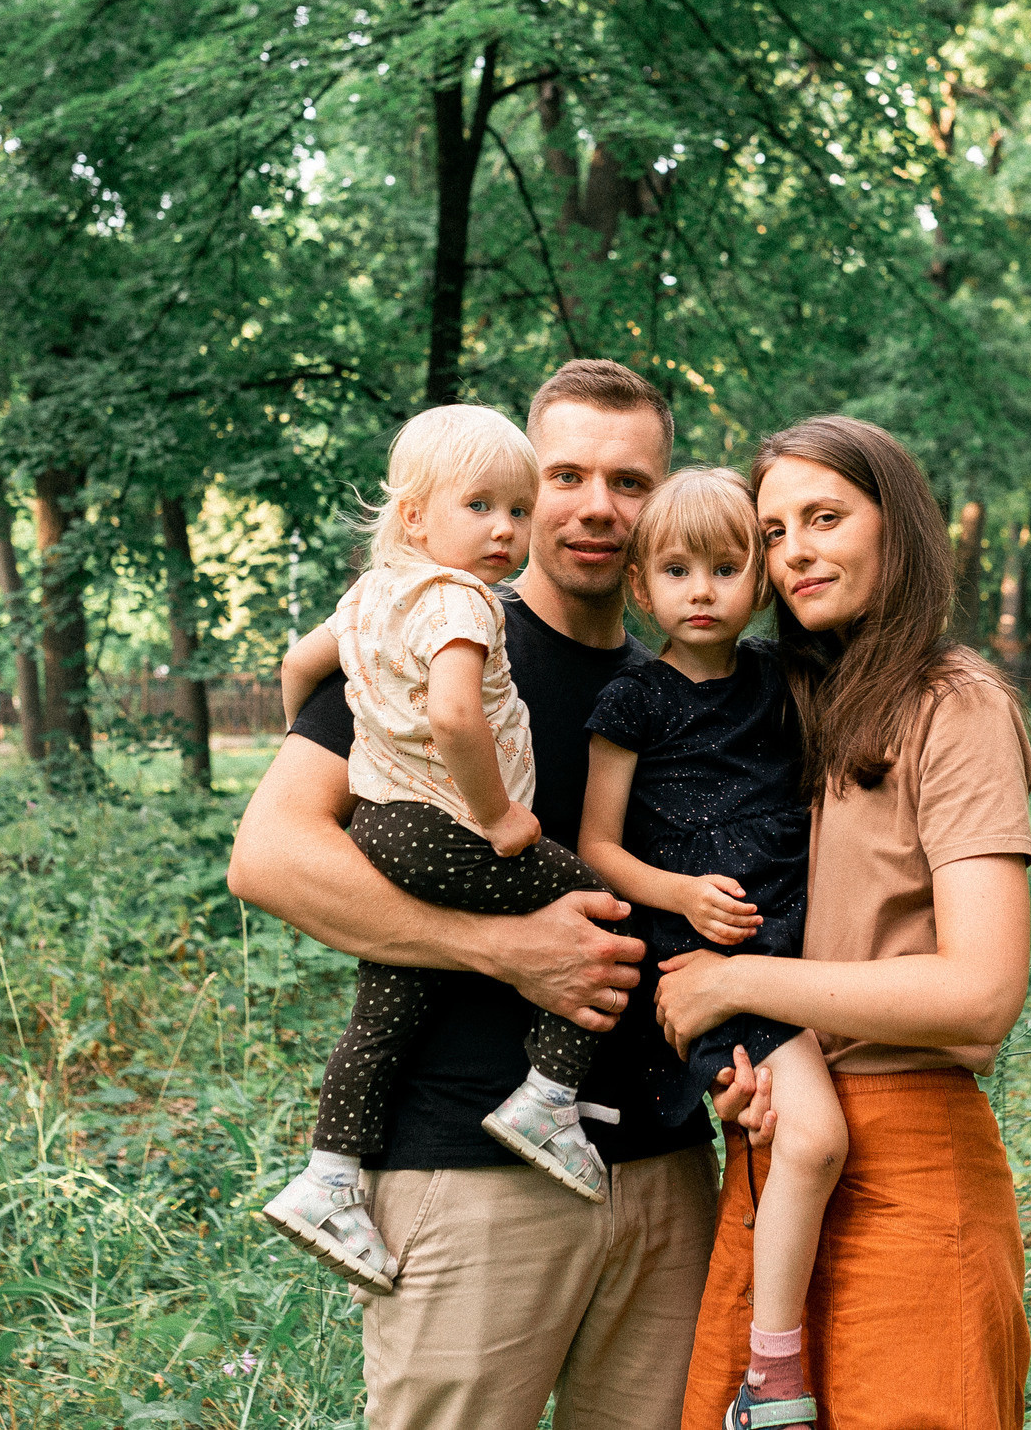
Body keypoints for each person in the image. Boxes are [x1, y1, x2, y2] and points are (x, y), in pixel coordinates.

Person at [227, 360, 717, 1430]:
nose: (595, 506)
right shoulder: (442, 641)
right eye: (566, 475)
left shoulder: (689, 680)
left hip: (668, 1175)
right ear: (521, 484)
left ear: (661, 498)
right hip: (470, 1174)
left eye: (629, 483)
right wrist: (500, 948)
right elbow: (268, 856)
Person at [655, 415, 1031, 1430]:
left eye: (824, 517)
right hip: (781, 1157)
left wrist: (734, 986)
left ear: (896, 527)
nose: (796, 553)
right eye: (773, 533)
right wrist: (758, 1061)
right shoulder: (782, 707)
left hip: (909, 1168)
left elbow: (980, 991)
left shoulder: (953, 704)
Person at [261, 405, 619, 1296]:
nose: (505, 528)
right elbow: (460, 715)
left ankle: (329, 1175)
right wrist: (499, 816)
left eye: (515, 507)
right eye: (482, 506)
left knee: (390, 993)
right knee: (601, 902)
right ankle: (546, 1097)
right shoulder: (463, 600)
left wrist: (308, 718)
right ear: (415, 516)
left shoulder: (373, 593)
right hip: (448, 825)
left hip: (383, 823)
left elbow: (299, 663)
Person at [579, 466, 843, 1430]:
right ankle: (770, 1379)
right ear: (642, 587)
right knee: (814, 1137)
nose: (704, 590)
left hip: (794, 950)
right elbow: (598, 845)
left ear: (760, 582)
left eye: (727, 568)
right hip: (700, 960)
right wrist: (681, 891)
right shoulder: (634, 699)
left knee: (788, 1137)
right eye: (679, 570)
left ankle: (776, 1351)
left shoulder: (781, 678)